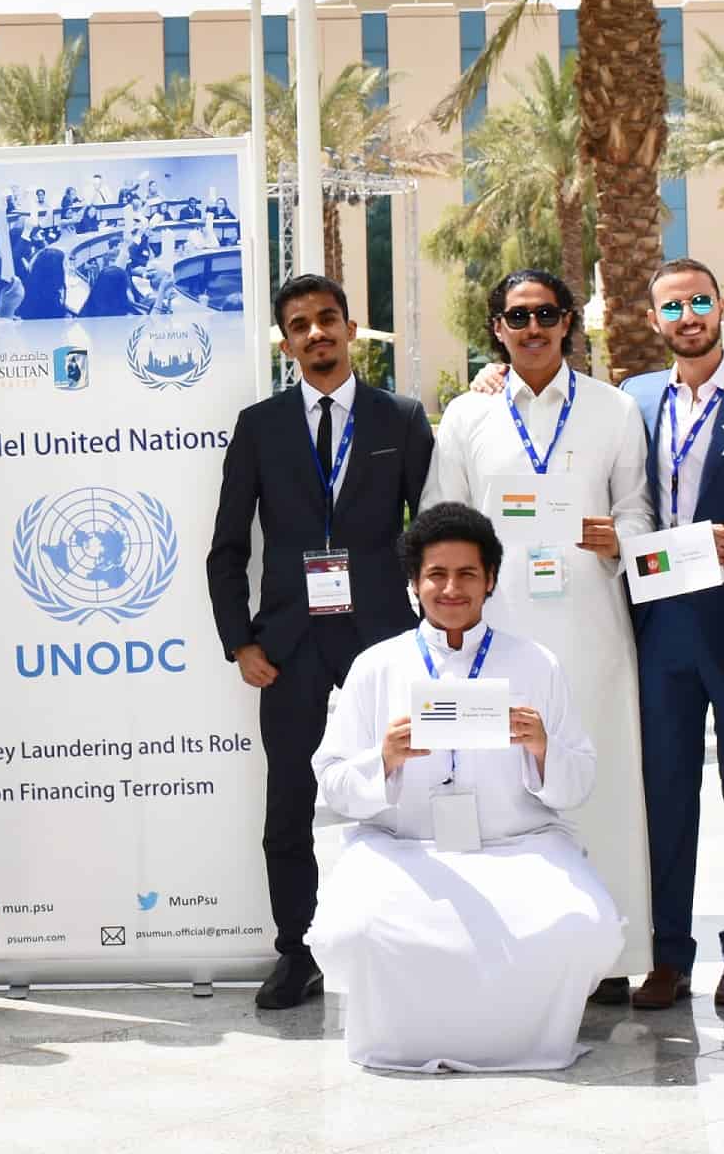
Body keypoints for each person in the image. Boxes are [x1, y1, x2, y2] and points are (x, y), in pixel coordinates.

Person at [309, 502, 624, 1072]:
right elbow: (332, 781)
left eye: (467, 574)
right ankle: (401, 1045)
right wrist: (385, 759)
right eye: (436, 574)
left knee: (585, 924)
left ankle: (530, 1043)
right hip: (402, 847)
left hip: (517, 845)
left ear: (491, 582)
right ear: (414, 584)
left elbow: (579, 780)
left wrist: (541, 747)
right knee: (351, 929)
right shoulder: (376, 666)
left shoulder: (535, 663)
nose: (451, 588)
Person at [205, 273, 436, 1011]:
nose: (315, 334)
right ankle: (294, 950)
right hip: (290, 645)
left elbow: (431, 528)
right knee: (289, 804)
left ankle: (411, 941)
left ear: (350, 326)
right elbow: (226, 547)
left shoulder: (399, 417)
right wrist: (238, 640)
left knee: (405, 792)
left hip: (382, 640)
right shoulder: (260, 425)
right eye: (299, 324)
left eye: (327, 319)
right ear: (285, 340)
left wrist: (430, 636)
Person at [428, 268, 654, 997]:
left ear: (569, 322)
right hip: (500, 632)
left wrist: (616, 537)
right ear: (497, 327)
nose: (533, 328)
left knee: (601, 780)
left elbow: (641, 515)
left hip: (591, 626)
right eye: (517, 317)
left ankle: (608, 952)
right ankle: (510, 949)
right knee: (505, 786)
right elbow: (444, 518)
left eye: (546, 314)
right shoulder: (468, 415)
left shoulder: (615, 410)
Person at [616, 259, 724, 1010]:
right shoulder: (632, 399)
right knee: (666, 795)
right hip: (658, 627)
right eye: (673, 306)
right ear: (654, 320)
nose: (689, 315)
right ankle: (667, 954)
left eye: (700, 301)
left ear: (723, 310)